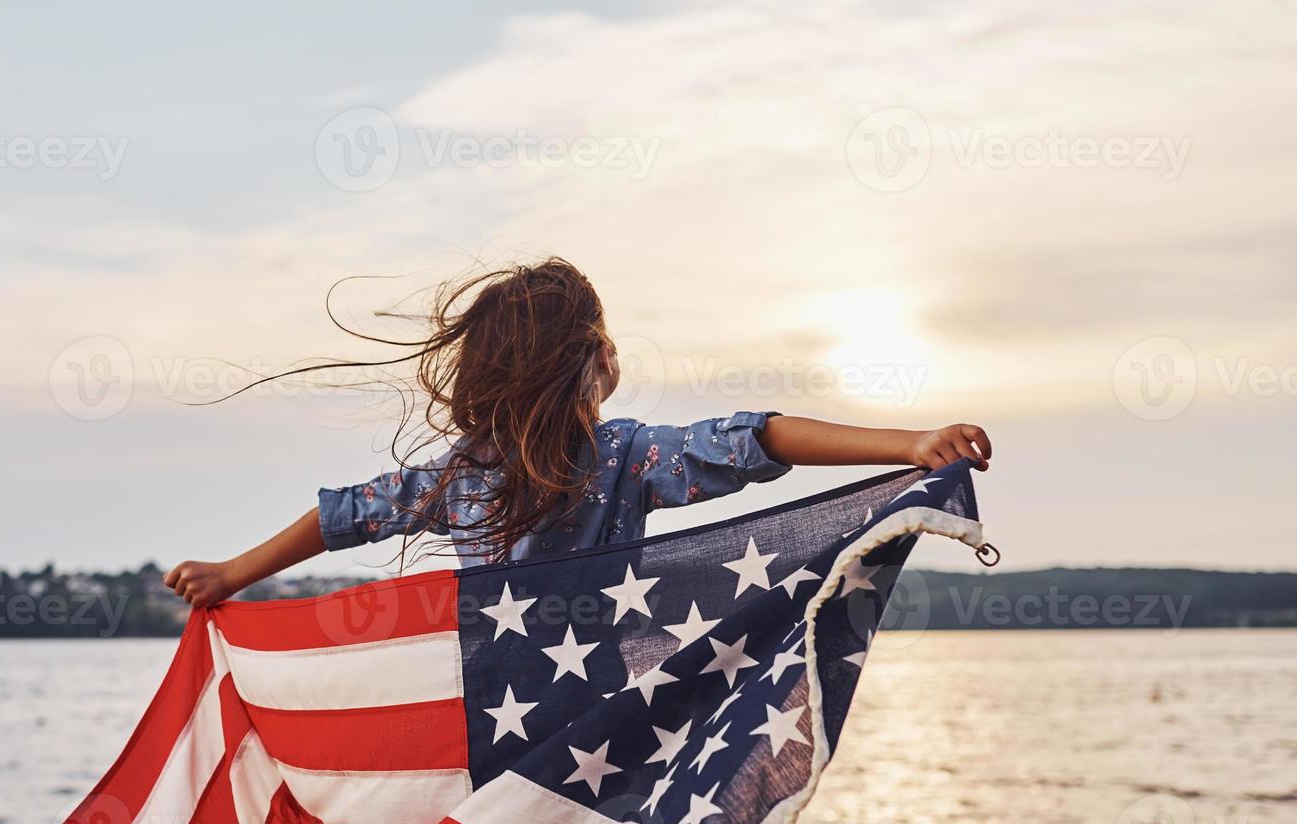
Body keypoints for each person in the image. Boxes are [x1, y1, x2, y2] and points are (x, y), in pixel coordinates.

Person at [165, 259, 991, 606]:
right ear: (601, 359)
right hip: (594, 721)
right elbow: (762, 438)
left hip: (487, 710)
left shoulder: (453, 477)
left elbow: (345, 515)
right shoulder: (626, 456)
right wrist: (908, 444)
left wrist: (234, 573)